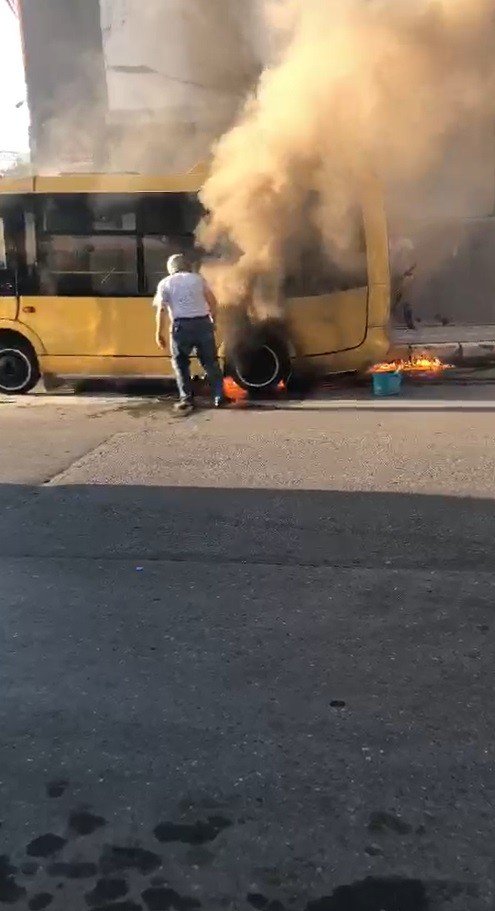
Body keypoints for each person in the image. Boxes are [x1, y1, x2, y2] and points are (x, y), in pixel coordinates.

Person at [154, 254, 225, 414]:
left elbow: (162, 310)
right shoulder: (197, 280)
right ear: (186, 265)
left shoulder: (165, 283)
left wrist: (159, 333)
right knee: (210, 363)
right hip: (202, 324)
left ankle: (186, 398)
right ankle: (219, 396)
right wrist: (213, 321)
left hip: (181, 327)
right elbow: (212, 302)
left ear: (170, 267)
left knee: (181, 364)